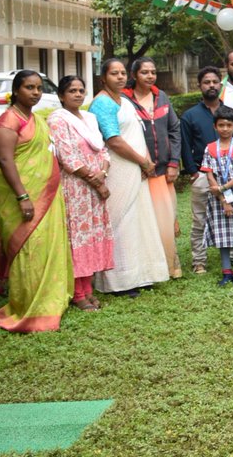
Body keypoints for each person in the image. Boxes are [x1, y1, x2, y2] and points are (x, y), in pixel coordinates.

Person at [0, 71, 72, 331]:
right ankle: (27, 308)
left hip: (45, 194)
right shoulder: (7, 122)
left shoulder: (36, 118)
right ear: (16, 91)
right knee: (28, 251)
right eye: (28, 87)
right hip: (19, 196)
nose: (35, 92)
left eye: (38, 88)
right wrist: (23, 196)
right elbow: (6, 160)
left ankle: (49, 302)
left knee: (46, 247)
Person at [90, 58, 169, 295]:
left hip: (136, 167)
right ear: (103, 78)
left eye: (123, 73)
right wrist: (142, 161)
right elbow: (114, 140)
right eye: (114, 73)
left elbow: (137, 133)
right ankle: (118, 281)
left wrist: (145, 163)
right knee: (121, 222)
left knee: (139, 219)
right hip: (118, 168)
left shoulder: (124, 100)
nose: (121, 77)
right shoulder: (102, 103)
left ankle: (142, 275)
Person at [48, 75, 114, 313]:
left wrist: (103, 174)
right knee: (78, 238)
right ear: (61, 96)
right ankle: (78, 294)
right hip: (76, 186)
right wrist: (96, 181)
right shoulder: (57, 119)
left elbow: (103, 151)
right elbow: (67, 157)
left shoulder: (89, 117)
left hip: (97, 184)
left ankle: (88, 290)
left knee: (93, 235)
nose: (77, 94)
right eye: (71, 91)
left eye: (81, 90)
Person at [124, 57, 182, 278]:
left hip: (162, 172)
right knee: (141, 221)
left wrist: (174, 163)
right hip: (137, 171)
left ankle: (168, 268)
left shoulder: (162, 97)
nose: (150, 76)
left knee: (164, 220)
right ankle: (144, 269)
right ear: (134, 75)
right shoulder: (124, 100)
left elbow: (174, 130)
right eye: (144, 72)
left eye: (153, 72)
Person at [179, 66, 227, 274]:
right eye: (207, 82)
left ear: (220, 84)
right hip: (201, 174)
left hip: (228, 176)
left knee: (229, 215)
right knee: (200, 219)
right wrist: (192, 171)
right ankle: (199, 260)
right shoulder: (190, 116)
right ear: (199, 86)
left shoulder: (229, 113)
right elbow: (184, 145)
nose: (211, 86)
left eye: (215, 82)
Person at [200, 107, 233, 287]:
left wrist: (224, 187)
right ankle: (226, 272)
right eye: (221, 125)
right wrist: (222, 197)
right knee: (222, 236)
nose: (225, 129)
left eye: (229, 125)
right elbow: (209, 174)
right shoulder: (210, 149)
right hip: (217, 199)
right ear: (215, 126)